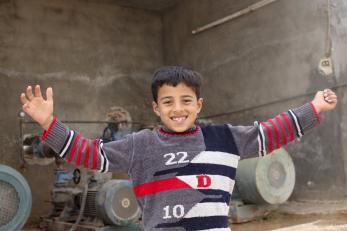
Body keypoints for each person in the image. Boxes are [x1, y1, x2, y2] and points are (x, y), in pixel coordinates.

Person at [20, 66, 337, 231]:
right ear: (156, 108)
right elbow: (91, 154)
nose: (178, 109)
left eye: (186, 100)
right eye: (168, 102)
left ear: (198, 105)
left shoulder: (226, 137)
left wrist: (314, 108)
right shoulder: (142, 145)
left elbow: (270, 132)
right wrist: (50, 124)